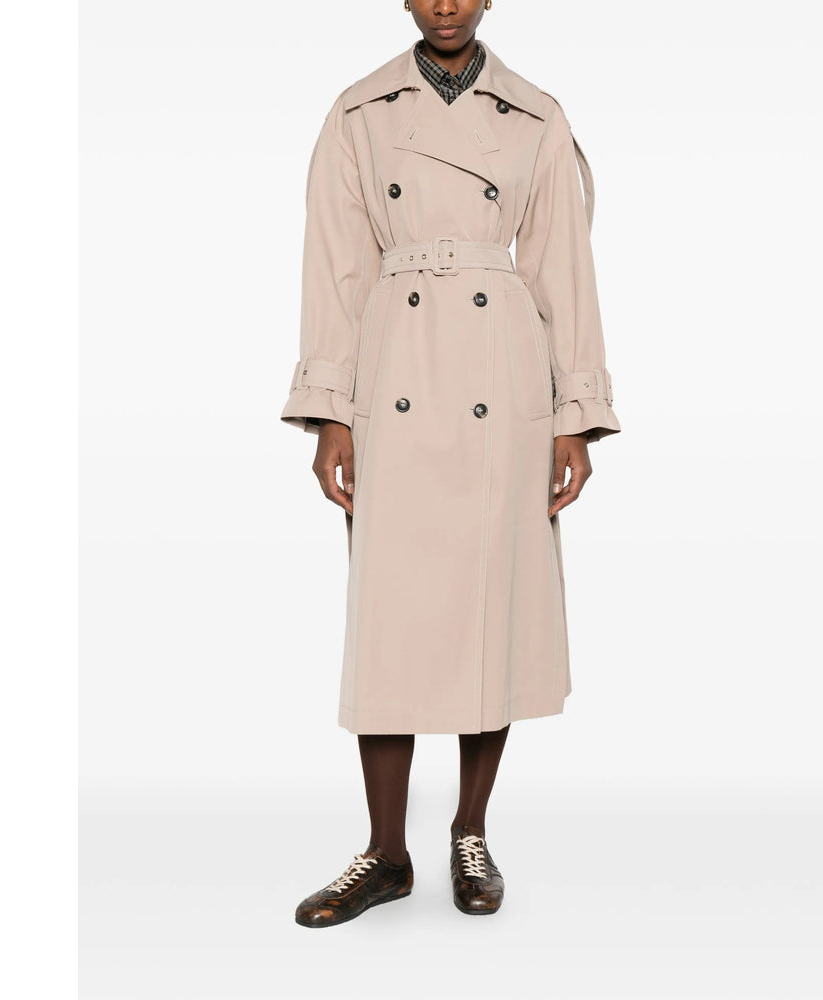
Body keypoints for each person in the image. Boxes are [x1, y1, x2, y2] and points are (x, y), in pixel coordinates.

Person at [281, 0, 622, 928]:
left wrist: (573, 417)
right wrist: (331, 411)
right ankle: (385, 853)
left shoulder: (536, 114)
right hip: (394, 373)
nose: (445, 4)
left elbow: (563, 270)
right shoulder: (359, 111)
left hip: (500, 384)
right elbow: (334, 267)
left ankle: (470, 831)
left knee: (490, 611)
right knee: (389, 620)